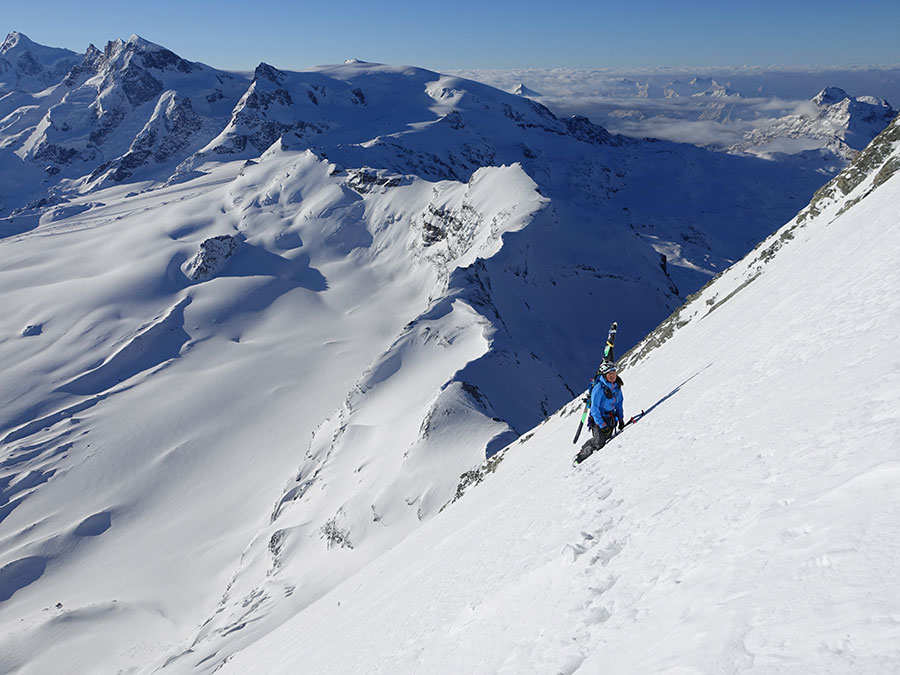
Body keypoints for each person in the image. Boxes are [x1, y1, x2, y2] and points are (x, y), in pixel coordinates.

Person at [576, 361, 624, 463]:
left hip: (610, 417)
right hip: (598, 419)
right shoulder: (599, 389)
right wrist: (602, 425)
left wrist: (621, 419)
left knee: (607, 437)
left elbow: (619, 403)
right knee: (599, 442)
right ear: (604, 375)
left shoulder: (617, 386)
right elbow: (594, 409)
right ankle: (581, 454)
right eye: (609, 374)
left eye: (614, 374)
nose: (612, 376)